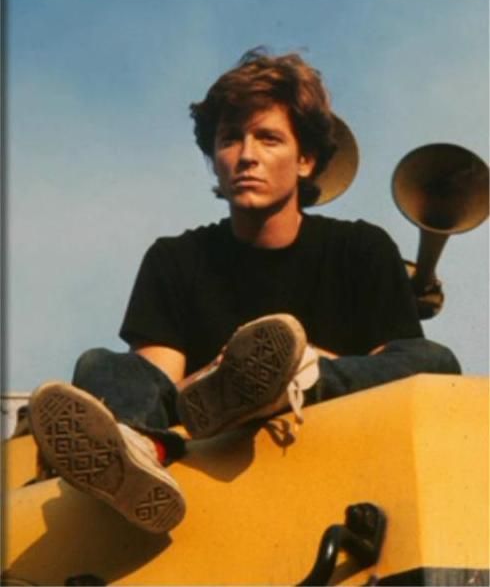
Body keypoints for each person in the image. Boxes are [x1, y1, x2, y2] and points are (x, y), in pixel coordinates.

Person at [28, 48, 461, 535]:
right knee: (98, 365)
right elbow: (159, 381)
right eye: (231, 139)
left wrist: (307, 366)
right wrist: (220, 377)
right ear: (214, 159)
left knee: (435, 358)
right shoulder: (174, 258)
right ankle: (140, 457)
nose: (247, 155)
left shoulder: (360, 247)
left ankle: (294, 381)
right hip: (197, 426)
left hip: (327, 425)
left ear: (306, 160)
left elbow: (399, 367)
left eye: (268, 138)